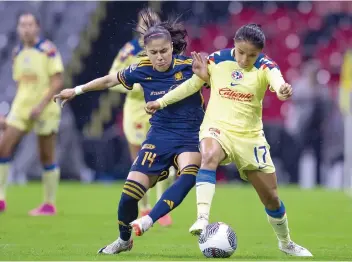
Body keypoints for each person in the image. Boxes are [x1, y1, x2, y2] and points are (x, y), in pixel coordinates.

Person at [146, 24, 313, 257]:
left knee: (271, 198)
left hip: (250, 138)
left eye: (252, 55)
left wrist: (282, 90)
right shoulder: (216, 60)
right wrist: (161, 102)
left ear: (260, 53)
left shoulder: (266, 66)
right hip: (218, 129)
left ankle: (285, 242)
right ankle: (202, 218)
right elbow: (192, 85)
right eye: (241, 52)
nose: (245, 59)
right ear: (234, 44)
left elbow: (278, 82)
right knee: (209, 154)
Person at [54, 11, 205, 255]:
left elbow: (222, 78)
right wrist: (76, 90)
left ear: (171, 47)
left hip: (190, 136)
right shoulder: (141, 69)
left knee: (188, 174)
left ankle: (149, 219)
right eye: (153, 52)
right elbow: (108, 81)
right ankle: (124, 240)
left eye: (164, 51)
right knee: (128, 196)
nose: (159, 57)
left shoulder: (189, 66)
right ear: (146, 51)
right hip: (158, 136)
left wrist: (207, 74)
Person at [109, 8, 173, 226]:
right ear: (138, 27)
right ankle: (145, 208)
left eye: (153, 23)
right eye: (144, 24)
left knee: (167, 160)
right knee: (139, 161)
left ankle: (162, 209)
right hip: (137, 109)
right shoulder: (129, 51)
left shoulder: (167, 49)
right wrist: (136, 87)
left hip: (163, 109)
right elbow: (113, 78)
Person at [0, 12, 64, 215]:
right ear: (18, 28)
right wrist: (9, 111)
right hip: (21, 108)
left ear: (37, 27)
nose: (26, 28)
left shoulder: (48, 50)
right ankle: (1, 198)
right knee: (3, 147)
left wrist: (40, 105)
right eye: (22, 24)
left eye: (29, 24)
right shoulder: (17, 51)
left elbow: (57, 81)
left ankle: (49, 203)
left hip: (46, 108)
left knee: (46, 155)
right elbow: (21, 84)